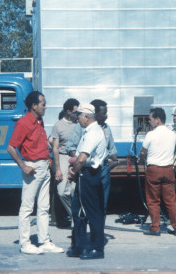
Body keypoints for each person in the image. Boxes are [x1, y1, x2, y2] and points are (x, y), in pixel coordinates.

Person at [7, 91, 64, 255]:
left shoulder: (39, 121)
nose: (45, 107)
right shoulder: (24, 123)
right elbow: (11, 147)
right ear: (33, 106)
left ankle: (44, 241)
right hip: (33, 168)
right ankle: (25, 244)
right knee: (26, 208)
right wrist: (23, 166)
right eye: (43, 104)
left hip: (45, 166)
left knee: (44, 207)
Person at [66, 103, 107, 260]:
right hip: (85, 174)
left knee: (92, 212)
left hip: (89, 174)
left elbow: (82, 158)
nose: (78, 118)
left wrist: (73, 172)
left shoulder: (92, 133)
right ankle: (80, 245)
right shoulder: (90, 131)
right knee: (78, 211)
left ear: (87, 117)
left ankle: (97, 248)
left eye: (79, 115)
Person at [66, 99, 118, 216]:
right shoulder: (81, 127)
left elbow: (111, 149)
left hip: (103, 170)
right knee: (83, 205)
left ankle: (98, 231)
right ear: (95, 113)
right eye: (104, 113)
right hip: (87, 170)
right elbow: (70, 147)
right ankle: (80, 232)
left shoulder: (106, 128)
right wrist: (80, 159)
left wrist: (114, 161)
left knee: (101, 204)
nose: (106, 115)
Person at [139, 107, 176, 236]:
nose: (149, 121)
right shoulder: (172, 134)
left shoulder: (151, 134)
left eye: (150, 119)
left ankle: (155, 227)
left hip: (154, 169)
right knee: (170, 200)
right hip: (168, 169)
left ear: (157, 120)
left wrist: (141, 158)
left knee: (153, 200)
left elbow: (143, 152)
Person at [50, 98, 80, 225]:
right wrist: (57, 169)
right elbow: (55, 148)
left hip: (77, 157)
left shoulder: (79, 125)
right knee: (62, 192)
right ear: (68, 112)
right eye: (75, 112)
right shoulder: (58, 126)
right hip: (63, 157)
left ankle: (77, 220)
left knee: (74, 190)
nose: (78, 115)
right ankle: (74, 215)